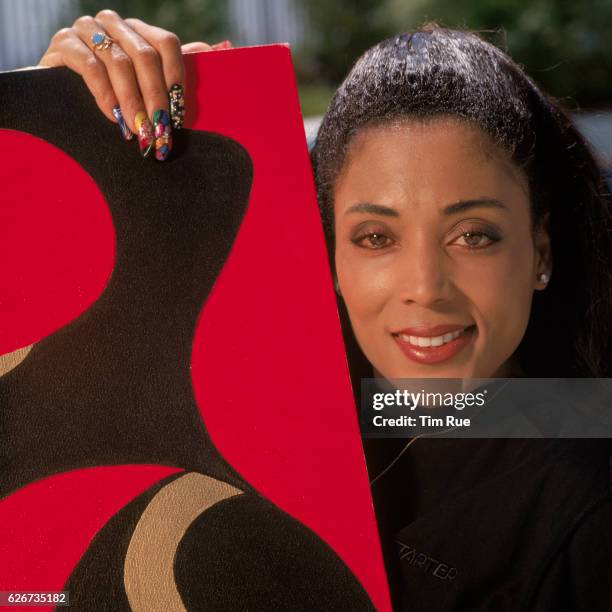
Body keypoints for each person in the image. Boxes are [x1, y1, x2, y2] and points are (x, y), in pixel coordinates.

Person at [33, 11, 612, 611]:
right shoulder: (300, 407)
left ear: (540, 251)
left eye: (473, 234)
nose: (425, 288)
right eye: (376, 237)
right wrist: (56, 118)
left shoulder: (586, 511)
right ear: (329, 252)